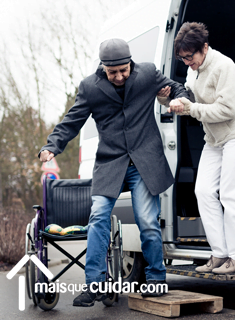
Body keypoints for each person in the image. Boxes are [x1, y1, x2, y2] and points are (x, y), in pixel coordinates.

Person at [39, 38, 189, 306]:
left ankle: (156, 278)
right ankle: (94, 283)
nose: (119, 76)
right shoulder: (89, 87)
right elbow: (72, 121)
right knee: (98, 218)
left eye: (123, 70)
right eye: (113, 72)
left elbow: (177, 87)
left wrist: (179, 98)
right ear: (103, 68)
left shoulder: (147, 74)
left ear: (130, 63)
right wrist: (52, 146)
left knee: (147, 220)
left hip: (144, 161)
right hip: (111, 163)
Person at [161, 22, 235, 274]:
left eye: (189, 57)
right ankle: (219, 253)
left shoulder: (224, 66)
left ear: (204, 47)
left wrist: (190, 108)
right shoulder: (194, 70)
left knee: (229, 195)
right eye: (182, 59)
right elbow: (190, 99)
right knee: (203, 191)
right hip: (213, 139)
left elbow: (227, 110)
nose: (186, 63)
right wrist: (167, 98)